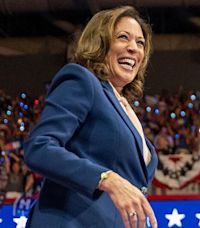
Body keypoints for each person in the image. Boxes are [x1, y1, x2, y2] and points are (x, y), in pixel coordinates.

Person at [24, 6, 158, 228]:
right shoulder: (82, 80)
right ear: (100, 43)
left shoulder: (126, 108)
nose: (133, 48)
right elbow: (39, 147)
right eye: (123, 37)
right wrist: (106, 178)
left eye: (140, 43)